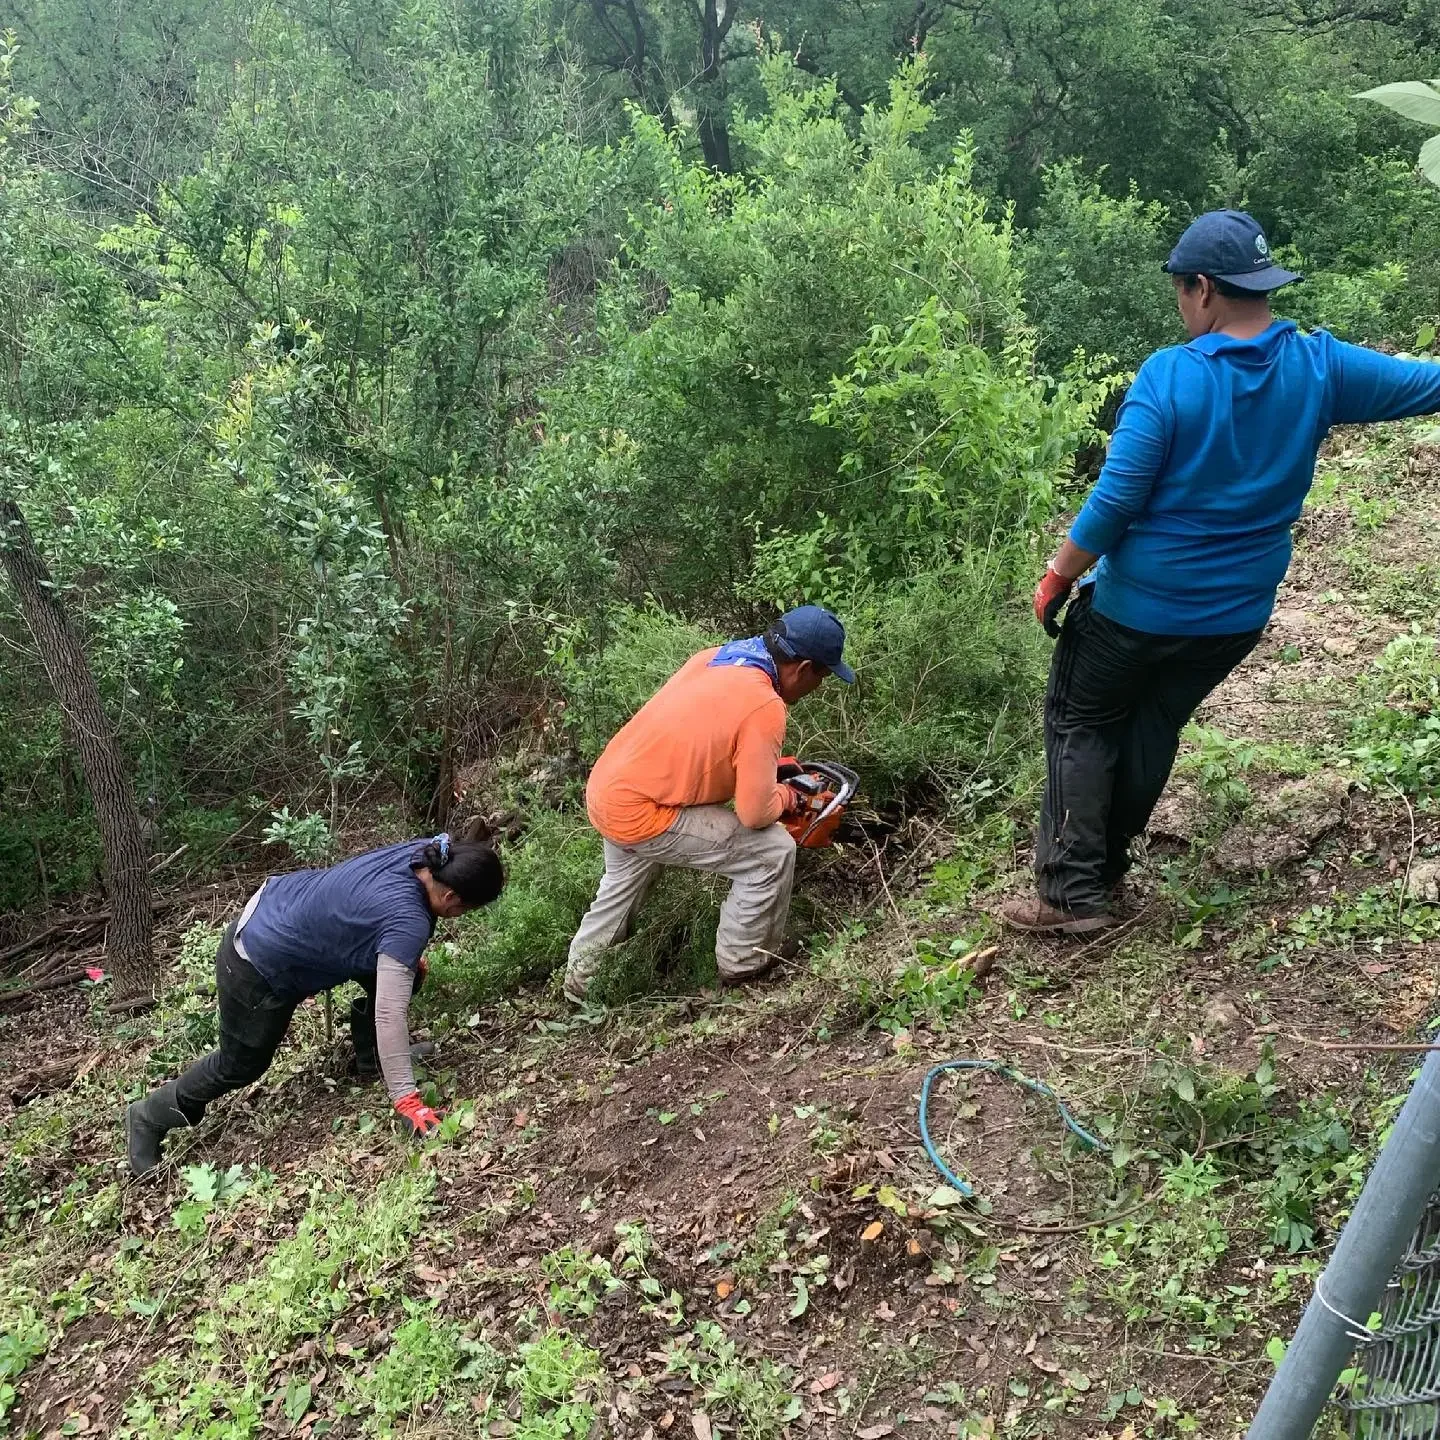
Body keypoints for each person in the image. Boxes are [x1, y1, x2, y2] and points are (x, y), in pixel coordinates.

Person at [1004, 209, 1440, 936]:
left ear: (1203, 288)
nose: (1181, 306)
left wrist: (1057, 574)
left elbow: (1117, 499)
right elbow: (1427, 385)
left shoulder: (1172, 377)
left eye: (1181, 290)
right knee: (1152, 728)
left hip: (1136, 608)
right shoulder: (1320, 365)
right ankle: (1102, 873)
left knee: (1081, 723)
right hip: (1234, 616)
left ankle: (1070, 896)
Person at [126, 827, 504, 1175]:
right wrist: (406, 1099)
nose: (459, 917)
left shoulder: (429, 853)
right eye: (463, 910)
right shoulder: (408, 918)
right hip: (257, 959)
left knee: (406, 971)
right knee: (240, 1064)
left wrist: (401, 957)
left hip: (283, 908)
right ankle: (149, 1116)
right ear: (451, 895)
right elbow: (390, 1013)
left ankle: (371, 1060)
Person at [564, 605, 855, 1001]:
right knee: (772, 853)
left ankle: (581, 984)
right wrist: (787, 795)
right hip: (644, 808)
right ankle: (745, 966)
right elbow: (754, 814)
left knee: (621, 885)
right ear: (804, 669)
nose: (817, 687)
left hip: (611, 788)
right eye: (821, 676)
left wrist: (768, 774)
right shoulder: (763, 705)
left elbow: (704, 738)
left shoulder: (715, 657)